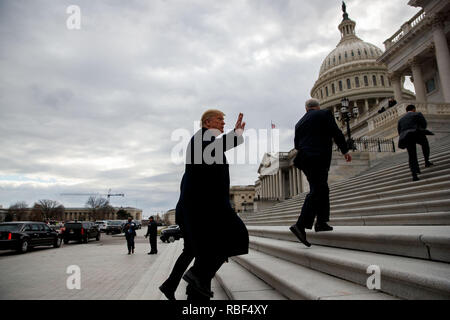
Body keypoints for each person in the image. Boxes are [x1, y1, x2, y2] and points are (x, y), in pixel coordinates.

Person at [175, 109, 249, 301]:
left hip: (207, 204)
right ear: (207, 123)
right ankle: (197, 276)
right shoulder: (201, 138)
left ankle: (197, 285)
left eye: (224, 121)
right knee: (237, 235)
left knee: (213, 247)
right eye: (219, 120)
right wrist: (235, 135)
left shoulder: (206, 141)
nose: (223, 123)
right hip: (207, 205)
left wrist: (235, 135)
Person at [291, 98, 352, 247]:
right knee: (318, 189)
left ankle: (321, 222)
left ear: (306, 109)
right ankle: (300, 225)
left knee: (321, 188)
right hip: (318, 157)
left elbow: (297, 144)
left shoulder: (299, 123)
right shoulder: (324, 113)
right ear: (318, 107)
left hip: (304, 159)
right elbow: (336, 132)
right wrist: (345, 150)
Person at [397, 104, 434, 181]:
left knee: (412, 155)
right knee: (425, 144)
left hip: (406, 137)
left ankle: (414, 174)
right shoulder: (417, 114)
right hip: (416, 133)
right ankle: (426, 161)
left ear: (406, 110)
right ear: (413, 109)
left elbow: (399, 131)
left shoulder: (400, 120)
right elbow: (424, 125)